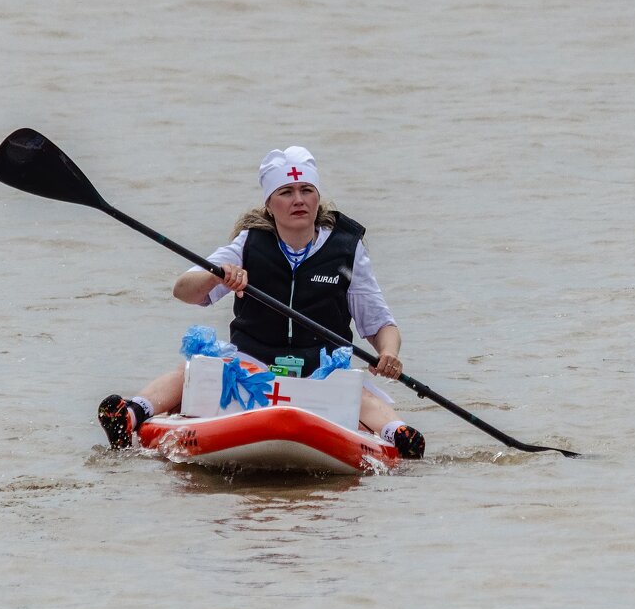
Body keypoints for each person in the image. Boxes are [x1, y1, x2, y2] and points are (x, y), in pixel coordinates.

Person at [97, 145, 425, 459]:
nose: (299, 200)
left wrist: (389, 353)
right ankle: (130, 413)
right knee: (193, 372)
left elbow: (381, 324)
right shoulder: (249, 243)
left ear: (317, 197)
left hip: (317, 372)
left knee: (359, 393)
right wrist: (217, 275)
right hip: (252, 367)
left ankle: (398, 434)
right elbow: (183, 290)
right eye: (286, 192)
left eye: (306, 190)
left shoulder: (346, 250)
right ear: (270, 204)